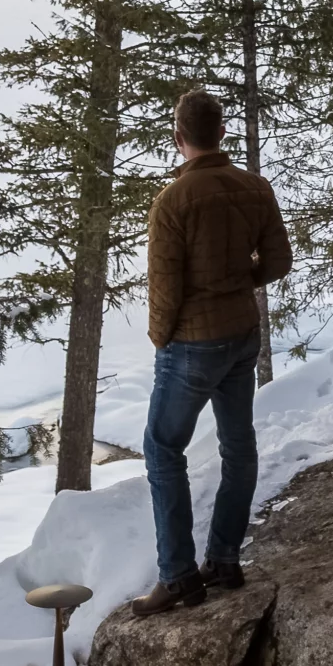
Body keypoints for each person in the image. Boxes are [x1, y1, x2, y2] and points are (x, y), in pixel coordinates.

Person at [128, 86, 292, 616]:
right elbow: (278, 261)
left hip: (192, 345)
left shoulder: (172, 201)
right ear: (221, 133)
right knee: (237, 446)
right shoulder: (254, 187)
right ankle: (223, 560)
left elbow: (165, 287)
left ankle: (177, 576)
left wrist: (162, 339)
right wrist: (240, 279)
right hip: (243, 334)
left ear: (179, 138)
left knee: (161, 450)